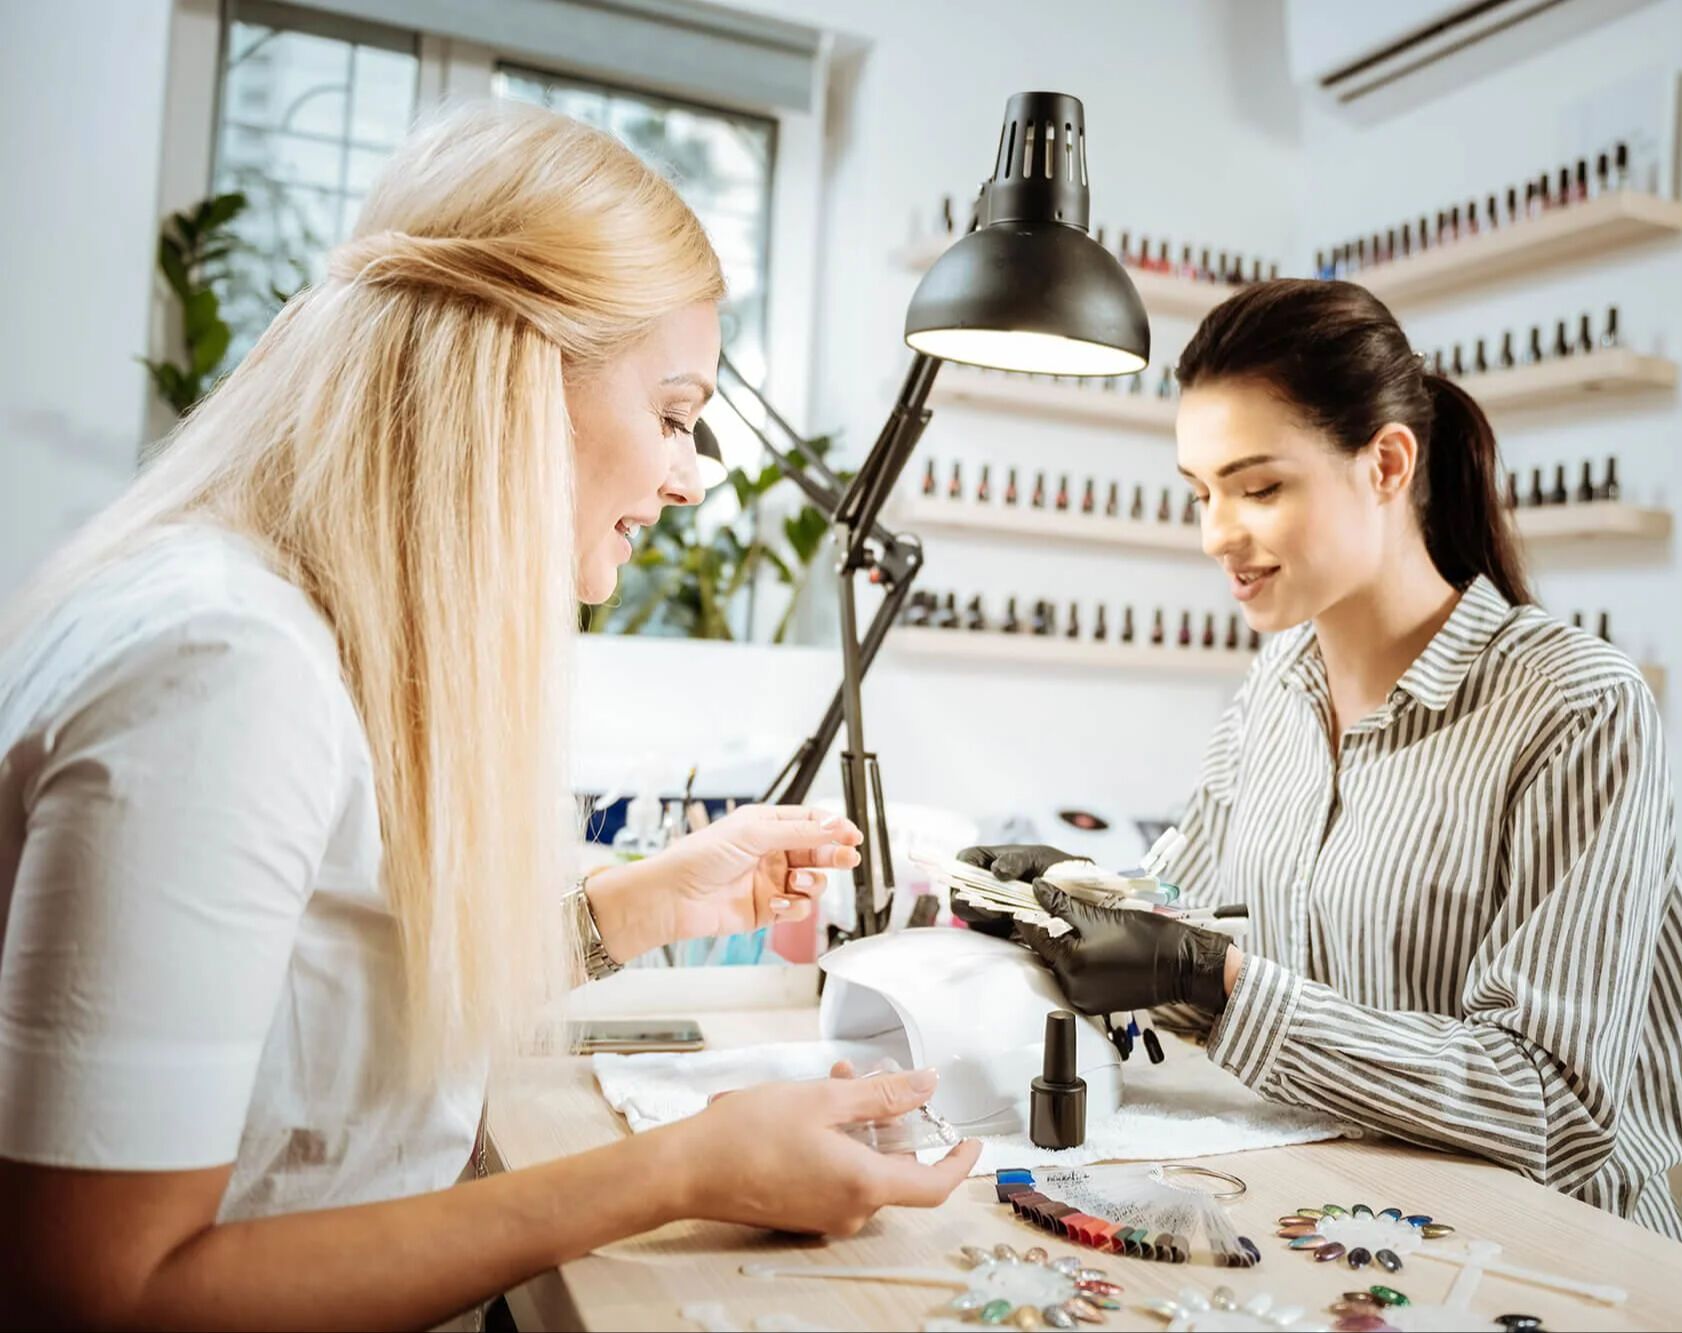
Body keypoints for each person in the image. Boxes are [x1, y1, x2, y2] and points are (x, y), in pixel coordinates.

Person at [0, 101, 975, 1331]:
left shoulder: (293, 632)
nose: (687, 476)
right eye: (673, 414)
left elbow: (319, 985)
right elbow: (101, 1292)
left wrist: (630, 910)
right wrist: (679, 1168)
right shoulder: (224, 674)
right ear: (509, 380)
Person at [961, 279, 1682, 1240]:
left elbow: (1552, 1108)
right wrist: (1071, 903)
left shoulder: (1574, 706)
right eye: (1202, 492)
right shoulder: (1277, 685)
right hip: (1346, 1206)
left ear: (1387, 463)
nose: (1216, 533)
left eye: (1259, 487)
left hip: (1543, 1248)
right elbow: (1187, 925)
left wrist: (1212, 983)